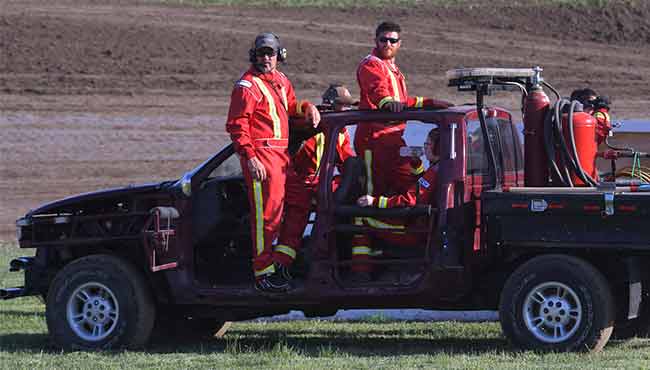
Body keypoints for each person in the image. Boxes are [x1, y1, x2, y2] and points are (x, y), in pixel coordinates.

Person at [226, 32, 321, 293]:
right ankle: (263, 273)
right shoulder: (246, 86)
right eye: (261, 53)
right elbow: (237, 126)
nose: (266, 58)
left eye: (271, 53)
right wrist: (251, 157)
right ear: (253, 56)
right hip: (263, 158)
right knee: (267, 217)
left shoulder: (281, 80)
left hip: (282, 157)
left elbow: (291, 106)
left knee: (298, 201)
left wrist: (307, 107)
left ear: (280, 55)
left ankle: (282, 260)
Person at [354, 20, 451, 263]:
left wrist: (429, 103)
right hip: (373, 142)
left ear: (400, 44)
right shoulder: (371, 65)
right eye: (383, 40)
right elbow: (380, 93)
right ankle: (361, 267)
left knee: (404, 185)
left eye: (392, 40)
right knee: (366, 204)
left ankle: (393, 249)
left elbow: (403, 100)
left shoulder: (394, 69)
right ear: (375, 41)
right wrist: (387, 104)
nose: (388, 44)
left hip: (395, 140)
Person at [274, 85, 356, 271]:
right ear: (330, 105)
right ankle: (282, 266)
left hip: (319, 181)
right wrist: (308, 113)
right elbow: (291, 115)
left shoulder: (340, 130)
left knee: (334, 205)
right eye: (344, 106)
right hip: (297, 180)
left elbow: (346, 160)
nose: (348, 110)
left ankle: (318, 255)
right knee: (294, 223)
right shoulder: (309, 120)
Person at [351, 127, 440, 280]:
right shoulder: (438, 168)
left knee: (361, 218)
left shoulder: (434, 172)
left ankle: (360, 273)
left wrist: (374, 201)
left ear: (439, 147)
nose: (425, 147)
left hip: (413, 230)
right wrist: (415, 162)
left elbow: (409, 200)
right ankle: (377, 259)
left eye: (428, 144)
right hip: (419, 223)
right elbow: (420, 185)